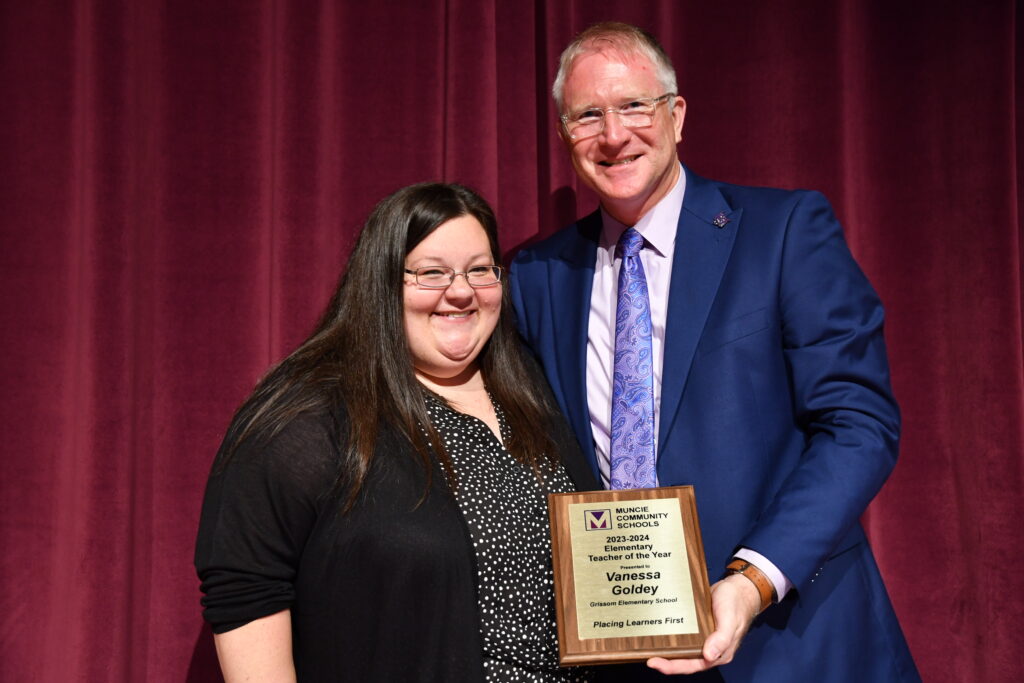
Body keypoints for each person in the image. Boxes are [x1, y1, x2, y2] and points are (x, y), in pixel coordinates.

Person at [510, 22, 921, 682]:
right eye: (588, 115)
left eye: (634, 106)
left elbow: (859, 426)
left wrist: (751, 580)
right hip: (623, 657)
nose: (614, 135)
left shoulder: (784, 232)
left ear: (676, 114)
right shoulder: (536, 275)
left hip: (793, 643)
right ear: (563, 136)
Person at [195, 183, 597, 682]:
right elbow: (246, 588)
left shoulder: (534, 390)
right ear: (382, 282)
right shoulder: (312, 414)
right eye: (431, 273)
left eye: (480, 269)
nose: (461, 291)